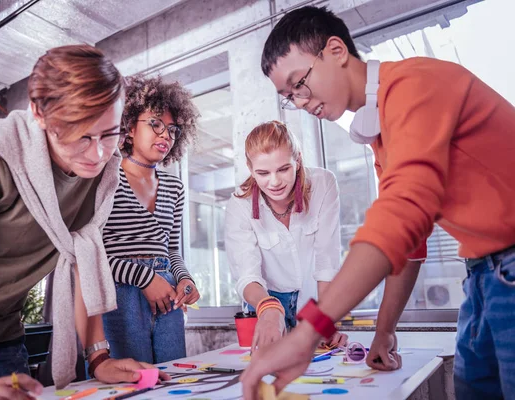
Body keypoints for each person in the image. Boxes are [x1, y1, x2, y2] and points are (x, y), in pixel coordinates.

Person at [240, 6, 515, 400]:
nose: (299, 101)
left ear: (335, 50)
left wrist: (309, 331)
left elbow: (398, 217)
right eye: (288, 97)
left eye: (298, 83)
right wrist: (384, 332)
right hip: (482, 275)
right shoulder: (384, 134)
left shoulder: (414, 85)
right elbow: (409, 243)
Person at [0, 45, 168, 400]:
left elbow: (84, 254)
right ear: (38, 113)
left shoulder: (102, 170)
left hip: (3, 336)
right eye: (81, 136)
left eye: (109, 134)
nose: (97, 154)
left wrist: (98, 357)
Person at [102, 75, 201, 364]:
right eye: (155, 123)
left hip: (167, 295)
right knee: (130, 385)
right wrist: (145, 278)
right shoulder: (105, 177)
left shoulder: (175, 187)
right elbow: (92, 255)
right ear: (130, 126)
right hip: (122, 297)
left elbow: (171, 251)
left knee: (174, 380)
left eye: (173, 129)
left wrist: (184, 278)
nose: (166, 135)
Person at [225, 121, 347, 352]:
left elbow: (326, 260)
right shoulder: (238, 204)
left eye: (283, 169)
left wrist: (324, 321)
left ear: (298, 159)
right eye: (263, 173)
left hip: (313, 302)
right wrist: (269, 309)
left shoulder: (323, 184)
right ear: (250, 168)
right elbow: (246, 274)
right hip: (266, 302)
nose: (275, 182)